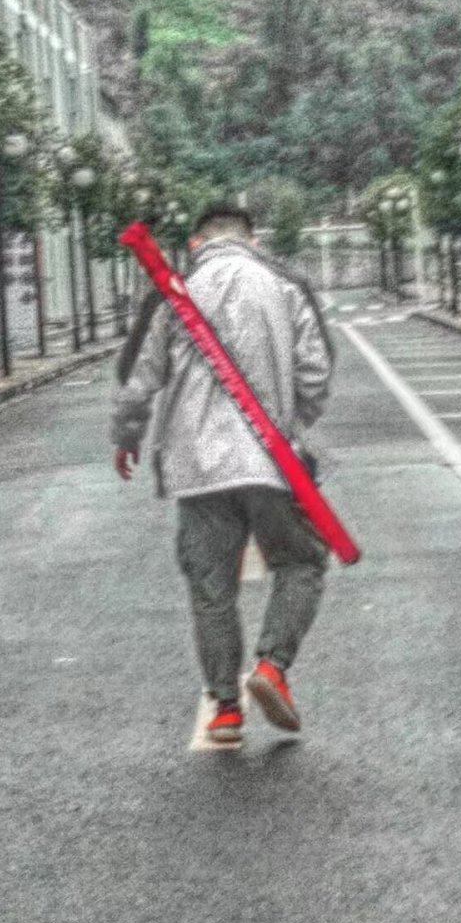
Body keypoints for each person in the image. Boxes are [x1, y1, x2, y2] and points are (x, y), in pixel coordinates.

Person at [111, 203, 334, 744]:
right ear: (253, 241)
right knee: (302, 560)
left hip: (197, 465)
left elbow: (140, 377)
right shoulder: (286, 288)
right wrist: (292, 423)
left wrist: (127, 435)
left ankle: (227, 710)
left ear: (195, 243)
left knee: (211, 586)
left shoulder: (176, 292)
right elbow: (314, 372)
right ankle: (272, 667)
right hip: (270, 461)